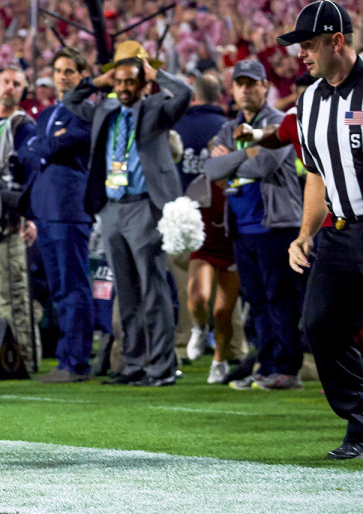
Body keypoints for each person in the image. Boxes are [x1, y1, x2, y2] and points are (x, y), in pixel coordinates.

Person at [68, 40, 191, 386]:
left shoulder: (155, 108)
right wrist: (97, 81)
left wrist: (157, 73)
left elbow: (184, 94)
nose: (123, 87)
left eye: (129, 81)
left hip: (143, 206)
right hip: (111, 208)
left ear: (143, 83)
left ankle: (161, 368)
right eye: (118, 82)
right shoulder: (105, 110)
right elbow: (70, 101)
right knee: (127, 292)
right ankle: (134, 364)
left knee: (152, 289)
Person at [282, 0, 363, 459]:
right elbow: (315, 172)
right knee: (319, 324)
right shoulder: (309, 99)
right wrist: (305, 232)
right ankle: (360, 418)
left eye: (309, 45)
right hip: (340, 228)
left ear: (337, 41)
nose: (302, 55)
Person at [203, 59, 302, 391]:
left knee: (280, 298)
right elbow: (210, 169)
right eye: (239, 84)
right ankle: (266, 365)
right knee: (257, 301)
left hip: (276, 225)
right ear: (232, 90)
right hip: (242, 227)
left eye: (252, 83)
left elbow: (264, 165)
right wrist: (243, 156)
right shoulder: (227, 126)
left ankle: (287, 369)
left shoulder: (280, 122)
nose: (245, 89)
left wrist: (229, 159)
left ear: (265, 87)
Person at [19, 48, 95, 382]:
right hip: (46, 211)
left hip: (69, 209)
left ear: (82, 76)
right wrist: (46, 143)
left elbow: (48, 147)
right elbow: (27, 149)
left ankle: (77, 361)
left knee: (74, 287)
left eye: (69, 71)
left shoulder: (87, 110)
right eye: (58, 70)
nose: (62, 76)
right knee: (60, 289)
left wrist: (44, 145)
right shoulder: (48, 112)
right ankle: (66, 358)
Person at [173, 74, 238, 384]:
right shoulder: (200, 184)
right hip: (205, 244)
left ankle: (219, 360)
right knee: (197, 297)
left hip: (232, 246)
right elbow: (184, 211)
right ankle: (199, 329)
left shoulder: (240, 184)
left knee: (224, 311)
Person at [0, 65, 39, 370]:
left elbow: (32, 174)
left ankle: (24, 359)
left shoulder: (23, 126)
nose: (10, 87)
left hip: (9, 220)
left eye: (17, 84)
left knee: (11, 295)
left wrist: (32, 217)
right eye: (5, 81)